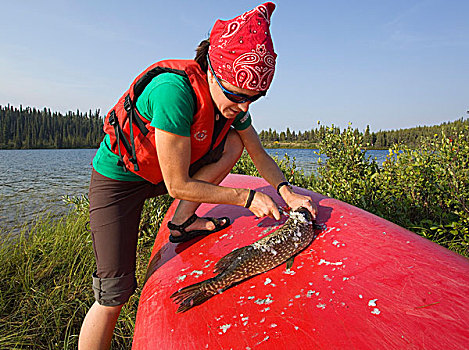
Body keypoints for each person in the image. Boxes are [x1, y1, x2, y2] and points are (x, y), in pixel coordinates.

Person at [78, 2, 317, 349]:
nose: (244, 107)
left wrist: (286, 192)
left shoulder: (233, 104)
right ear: (213, 72)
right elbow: (177, 184)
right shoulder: (173, 92)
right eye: (238, 95)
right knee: (114, 296)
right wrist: (248, 197)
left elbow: (258, 153)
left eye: (255, 98)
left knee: (235, 141)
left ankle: (181, 223)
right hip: (121, 180)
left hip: (166, 171)